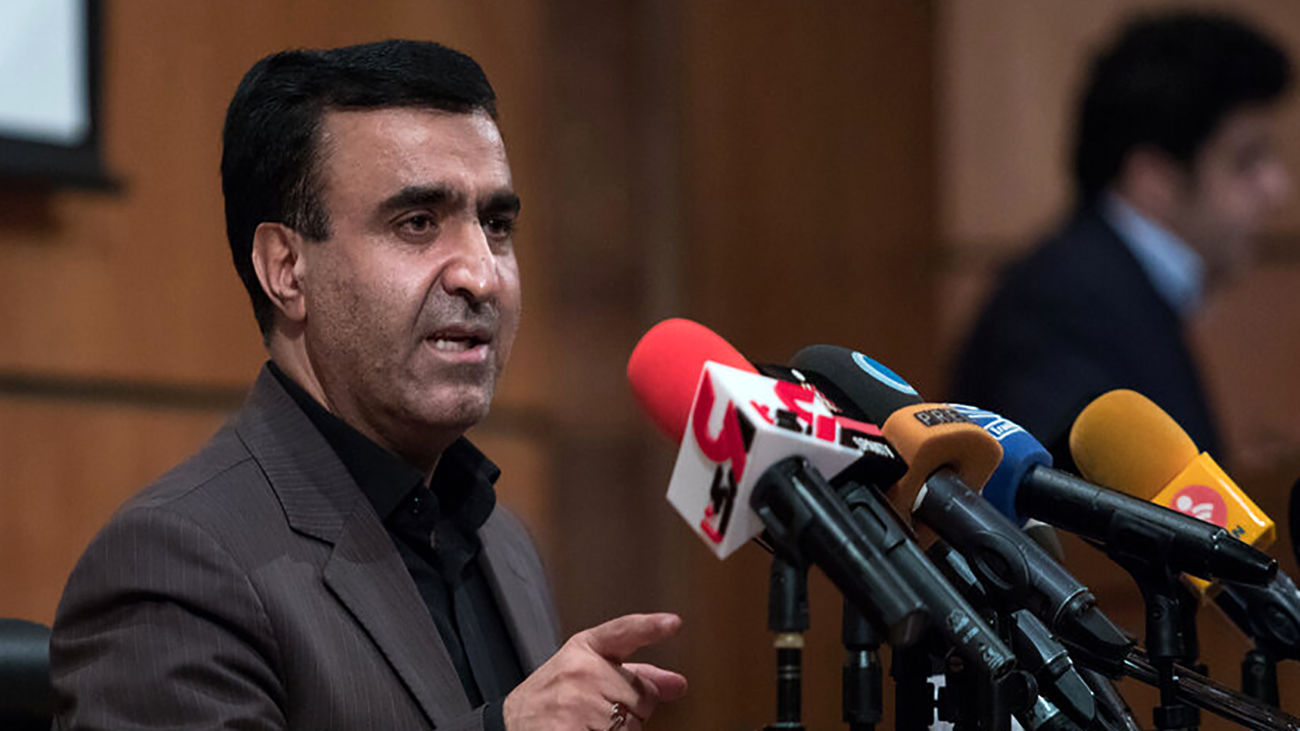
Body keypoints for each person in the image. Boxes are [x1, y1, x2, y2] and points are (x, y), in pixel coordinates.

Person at [50, 40, 686, 730]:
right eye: (417, 223)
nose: (481, 275)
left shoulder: (505, 544)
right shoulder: (174, 566)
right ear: (286, 269)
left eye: (496, 225)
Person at [951, 11, 1292, 466]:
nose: (1277, 188)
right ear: (1154, 177)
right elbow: (1066, 498)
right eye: (1246, 160)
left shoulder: (1106, 287)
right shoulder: (1065, 304)